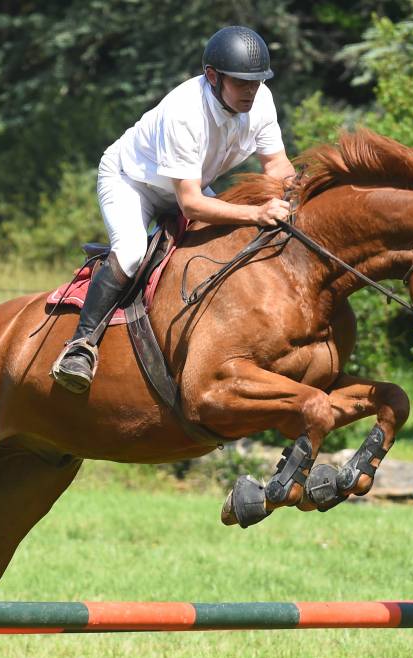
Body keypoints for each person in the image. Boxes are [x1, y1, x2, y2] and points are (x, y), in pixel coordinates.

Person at [51, 25, 297, 393]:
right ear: (212, 77)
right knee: (132, 253)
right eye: (242, 82)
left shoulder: (261, 101)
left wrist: (293, 198)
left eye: (257, 82)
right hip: (131, 181)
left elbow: (277, 166)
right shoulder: (185, 111)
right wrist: (258, 213)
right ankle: (80, 346)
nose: (251, 90)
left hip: (187, 184)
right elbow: (192, 204)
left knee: (230, 242)